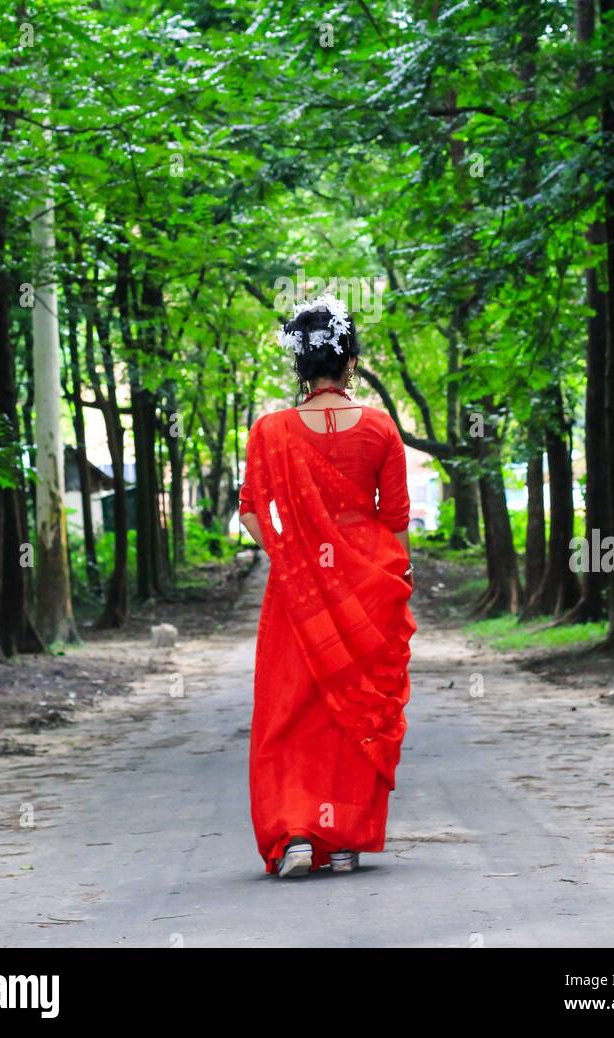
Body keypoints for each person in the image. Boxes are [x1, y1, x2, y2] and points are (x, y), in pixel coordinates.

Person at [239, 293, 416, 879]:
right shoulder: (381, 427)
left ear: (301, 367)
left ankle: (295, 834)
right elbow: (393, 519)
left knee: (291, 711)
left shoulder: (270, 431)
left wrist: (293, 559)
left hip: (299, 593)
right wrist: (397, 584)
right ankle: (342, 841)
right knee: (354, 712)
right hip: (366, 584)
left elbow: (251, 513)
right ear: (349, 364)